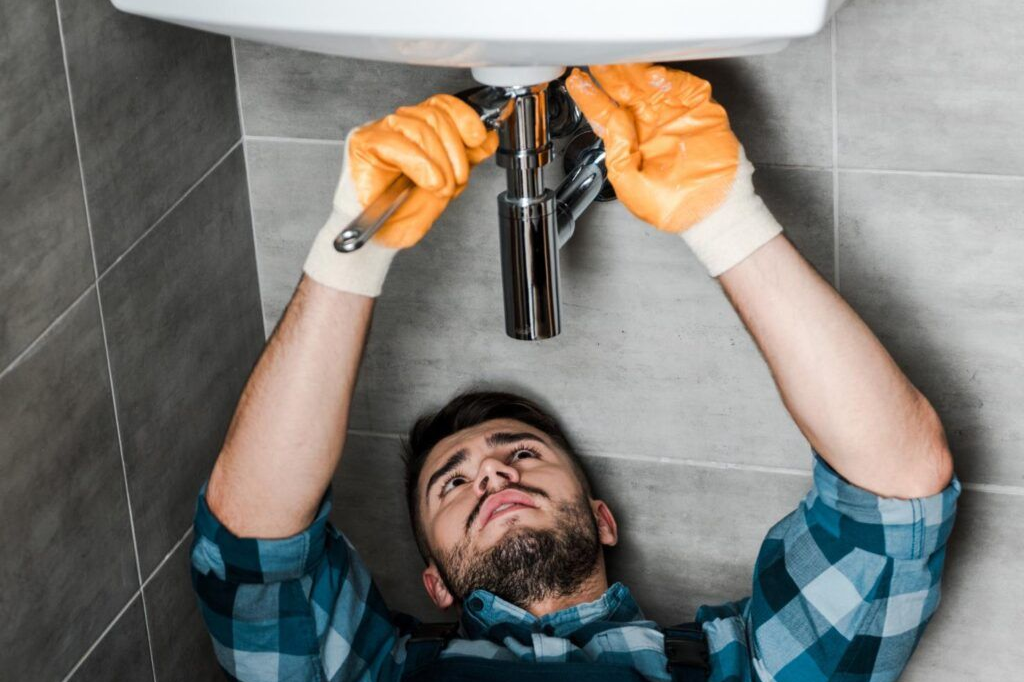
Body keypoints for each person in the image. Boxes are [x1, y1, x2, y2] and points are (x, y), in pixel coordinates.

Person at [190, 64, 959, 682]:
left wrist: (726, 219)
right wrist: (349, 251)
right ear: (435, 584)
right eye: (451, 484)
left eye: (522, 453)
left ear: (601, 518)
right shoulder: (369, 667)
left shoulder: (744, 663)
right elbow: (252, 551)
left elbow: (896, 489)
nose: (491, 472)